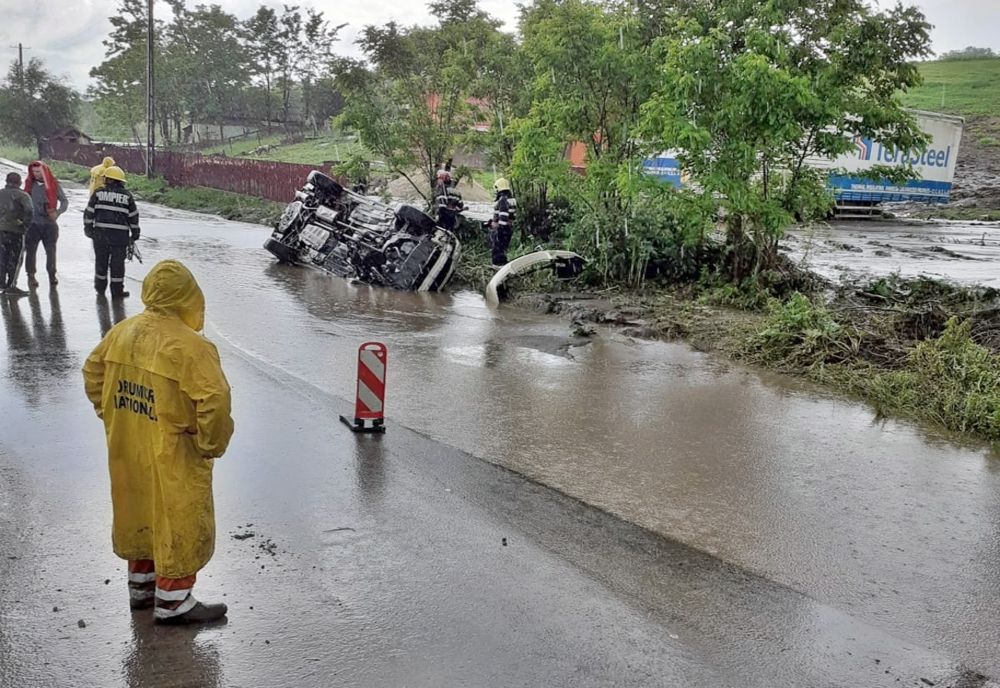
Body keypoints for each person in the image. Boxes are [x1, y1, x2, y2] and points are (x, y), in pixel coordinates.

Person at [83, 259, 234, 625]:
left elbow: (93, 370)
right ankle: (173, 601)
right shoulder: (192, 347)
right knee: (176, 516)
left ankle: (142, 588)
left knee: (139, 509)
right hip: (174, 449)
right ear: (188, 295)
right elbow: (214, 401)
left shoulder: (123, 332)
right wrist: (207, 443)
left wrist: (111, 414)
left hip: (129, 443)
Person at [84, 165, 140, 299]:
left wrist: (88, 228)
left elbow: (89, 213)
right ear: (120, 181)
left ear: (108, 179)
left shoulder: (98, 193)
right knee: (117, 265)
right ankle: (117, 292)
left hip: (100, 237)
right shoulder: (127, 196)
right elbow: (133, 217)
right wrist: (135, 233)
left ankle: (100, 288)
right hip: (119, 239)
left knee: (101, 262)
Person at [23, 160, 68, 287]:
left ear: (45, 171)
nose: (36, 174)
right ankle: (31, 276)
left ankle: (52, 274)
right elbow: (23, 202)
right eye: (34, 172)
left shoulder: (54, 184)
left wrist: (57, 212)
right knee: (31, 251)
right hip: (33, 224)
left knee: (51, 251)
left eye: (38, 171)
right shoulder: (29, 185)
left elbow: (64, 201)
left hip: (49, 224)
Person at [0, 172, 33, 296]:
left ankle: (1, 283)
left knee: (2, 257)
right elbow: (29, 211)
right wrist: (24, 225)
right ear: (19, 182)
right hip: (16, 231)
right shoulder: (23, 196)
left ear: (6, 181)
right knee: (15, 259)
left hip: (0, 231)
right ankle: (11, 285)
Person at [490, 177, 517, 266]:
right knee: (503, 250)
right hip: (509, 228)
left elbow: (503, 218)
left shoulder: (502, 200)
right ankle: (503, 267)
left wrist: (497, 226)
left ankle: (498, 269)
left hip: (502, 230)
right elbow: (511, 217)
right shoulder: (511, 199)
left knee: (497, 251)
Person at [433, 168, 464, 232]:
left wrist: (437, 216)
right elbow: (461, 205)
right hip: (452, 218)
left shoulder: (442, 189)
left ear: (442, 179)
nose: (437, 181)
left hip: (444, 218)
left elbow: (442, 206)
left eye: (438, 178)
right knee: (450, 234)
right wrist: (453, 211)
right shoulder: (456, 191)